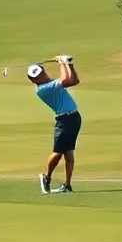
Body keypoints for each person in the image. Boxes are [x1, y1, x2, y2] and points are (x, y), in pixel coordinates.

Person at [29, 56, 82, 194]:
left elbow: (74, 81)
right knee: (58, 152)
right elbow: (65, 79)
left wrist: (69, 64)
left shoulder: (51, 82)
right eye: (38, 76)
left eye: (41, 72)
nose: (42, 75)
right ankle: (46, 177)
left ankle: (67, 185)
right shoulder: (43, 89)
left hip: (74, 117)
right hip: (64, 120)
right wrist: (61, 62)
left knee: (69, 153)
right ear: (34, 80)